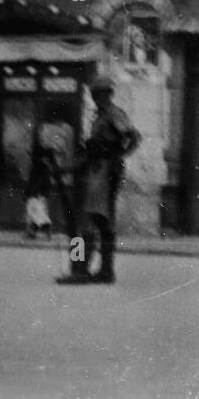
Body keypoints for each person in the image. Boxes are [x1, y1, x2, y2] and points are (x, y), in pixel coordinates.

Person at [58, 76, 140, 285]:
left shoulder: (113, 114)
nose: (95, 97)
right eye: (94, 94)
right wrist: (69, 166)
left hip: (105, 170)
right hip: (96, 168)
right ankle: (105, 271)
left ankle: (80, 270)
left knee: (88, 221)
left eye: (99, 94)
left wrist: (118, 156)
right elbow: (92, 148)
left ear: (107, 94)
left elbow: (133, 136)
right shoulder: (100, 116)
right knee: (103, 222)